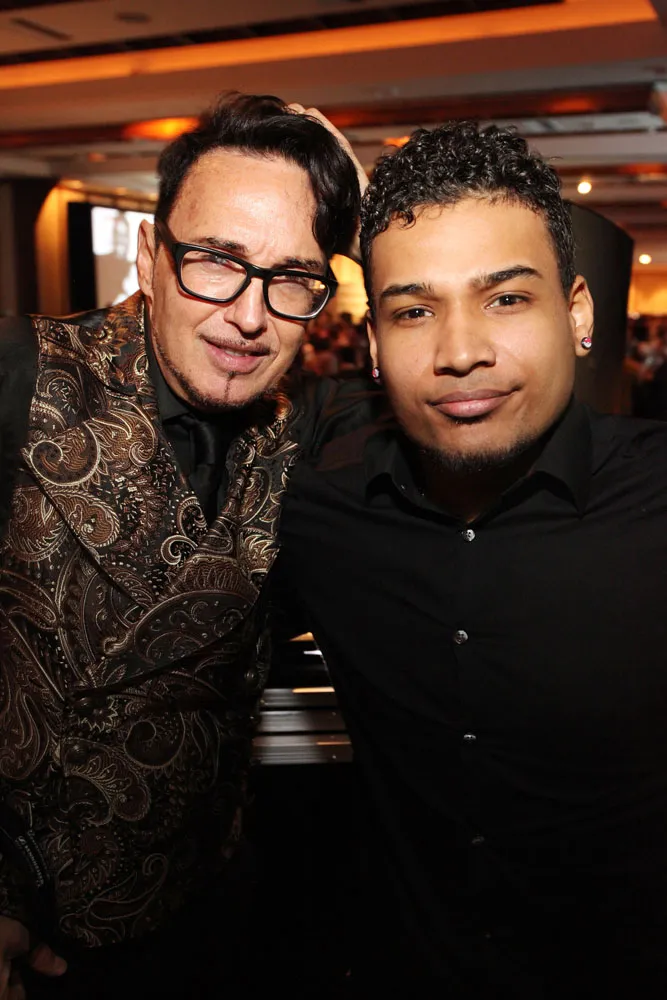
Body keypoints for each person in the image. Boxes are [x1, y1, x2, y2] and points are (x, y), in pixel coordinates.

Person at [276, 121, 667, 997]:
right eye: (414, 311)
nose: (459, 353)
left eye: (505, 299)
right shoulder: (318, 518)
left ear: (577, 314)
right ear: (373, 343)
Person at [0, 92, 360, 1000]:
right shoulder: (20, 376)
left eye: (291, 277)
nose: (248, 315)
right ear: (149, 260)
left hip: (204, 917)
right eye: (216, 262)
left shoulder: (309, 431)